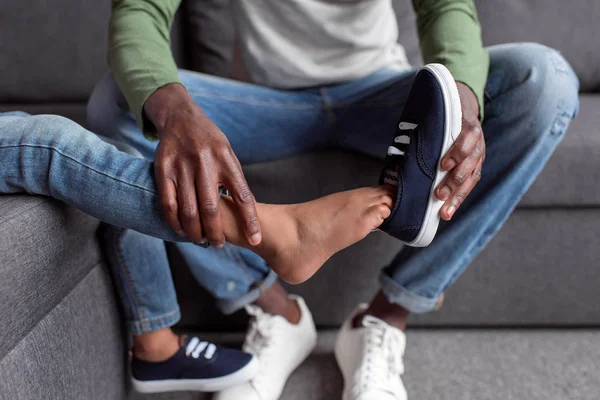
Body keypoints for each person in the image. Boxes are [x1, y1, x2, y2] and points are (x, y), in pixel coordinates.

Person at [86, 0, 580, 399]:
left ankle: (385, 317)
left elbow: (445, 8)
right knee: (117, 103)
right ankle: (274, 308)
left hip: (382, 96)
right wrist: (175, 113)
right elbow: (140, 11)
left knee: (544, 79)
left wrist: (465, 108)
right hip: (264, 104)